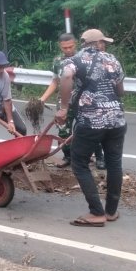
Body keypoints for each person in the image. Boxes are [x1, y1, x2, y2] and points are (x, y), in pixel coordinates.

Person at [55, 29, 127, 227]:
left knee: (78, 162)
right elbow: (120, 91)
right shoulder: (112, 59)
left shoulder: (73, 61)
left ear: (83, 43)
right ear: (100, 43)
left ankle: (96, 212)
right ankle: (111, 211)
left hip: (91, 122)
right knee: (114, 163)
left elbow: (67, 76)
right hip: (117, 121)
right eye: (104, 42)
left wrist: (63, 107)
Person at [40, 33, 105, 169]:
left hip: (84, 100)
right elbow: (55, 82)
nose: (68, 50)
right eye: (65, 48)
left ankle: (99, 157)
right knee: (63, 130)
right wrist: (43, 99)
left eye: (70, 46)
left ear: (75, 44)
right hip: (64, 101)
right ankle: (68, 156)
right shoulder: (58, 61)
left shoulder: (84, 58)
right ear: (60, 47)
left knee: (91, 128)